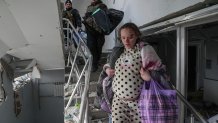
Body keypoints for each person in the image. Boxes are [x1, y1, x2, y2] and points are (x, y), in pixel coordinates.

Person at [102, 22, 155, 122]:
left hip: (139, 102)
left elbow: (160, 73)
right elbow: (107, 64)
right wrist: (107, 69)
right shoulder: (118, 51)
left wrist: (149, 79)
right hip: (118, 101)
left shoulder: (145, 50)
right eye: (123, 37)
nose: (126, 41)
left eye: (130, 37)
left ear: (137, 35)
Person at [83, 0, 108, 72]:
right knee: (91, 46)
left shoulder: (102, 6)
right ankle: (94, 65)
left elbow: (104, 18)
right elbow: (87, 17)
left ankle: (97, 61)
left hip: (99, 30)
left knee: (98, 46)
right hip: (90, 30)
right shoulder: (89, 7)